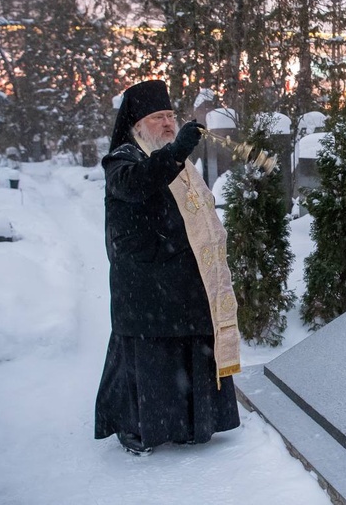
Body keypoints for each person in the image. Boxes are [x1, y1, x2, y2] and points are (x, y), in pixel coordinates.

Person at [94, 79, 241, 455]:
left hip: (185, 280)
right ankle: (138, 429)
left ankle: (192, 427)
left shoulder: (180, 164)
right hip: (146, 284)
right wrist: (176, 153)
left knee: (188, 353)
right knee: (154, 362)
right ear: (137, 124)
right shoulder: (123, 159)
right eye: (158, 117)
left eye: (171, 116)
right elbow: (136, 184)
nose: (167, 123)